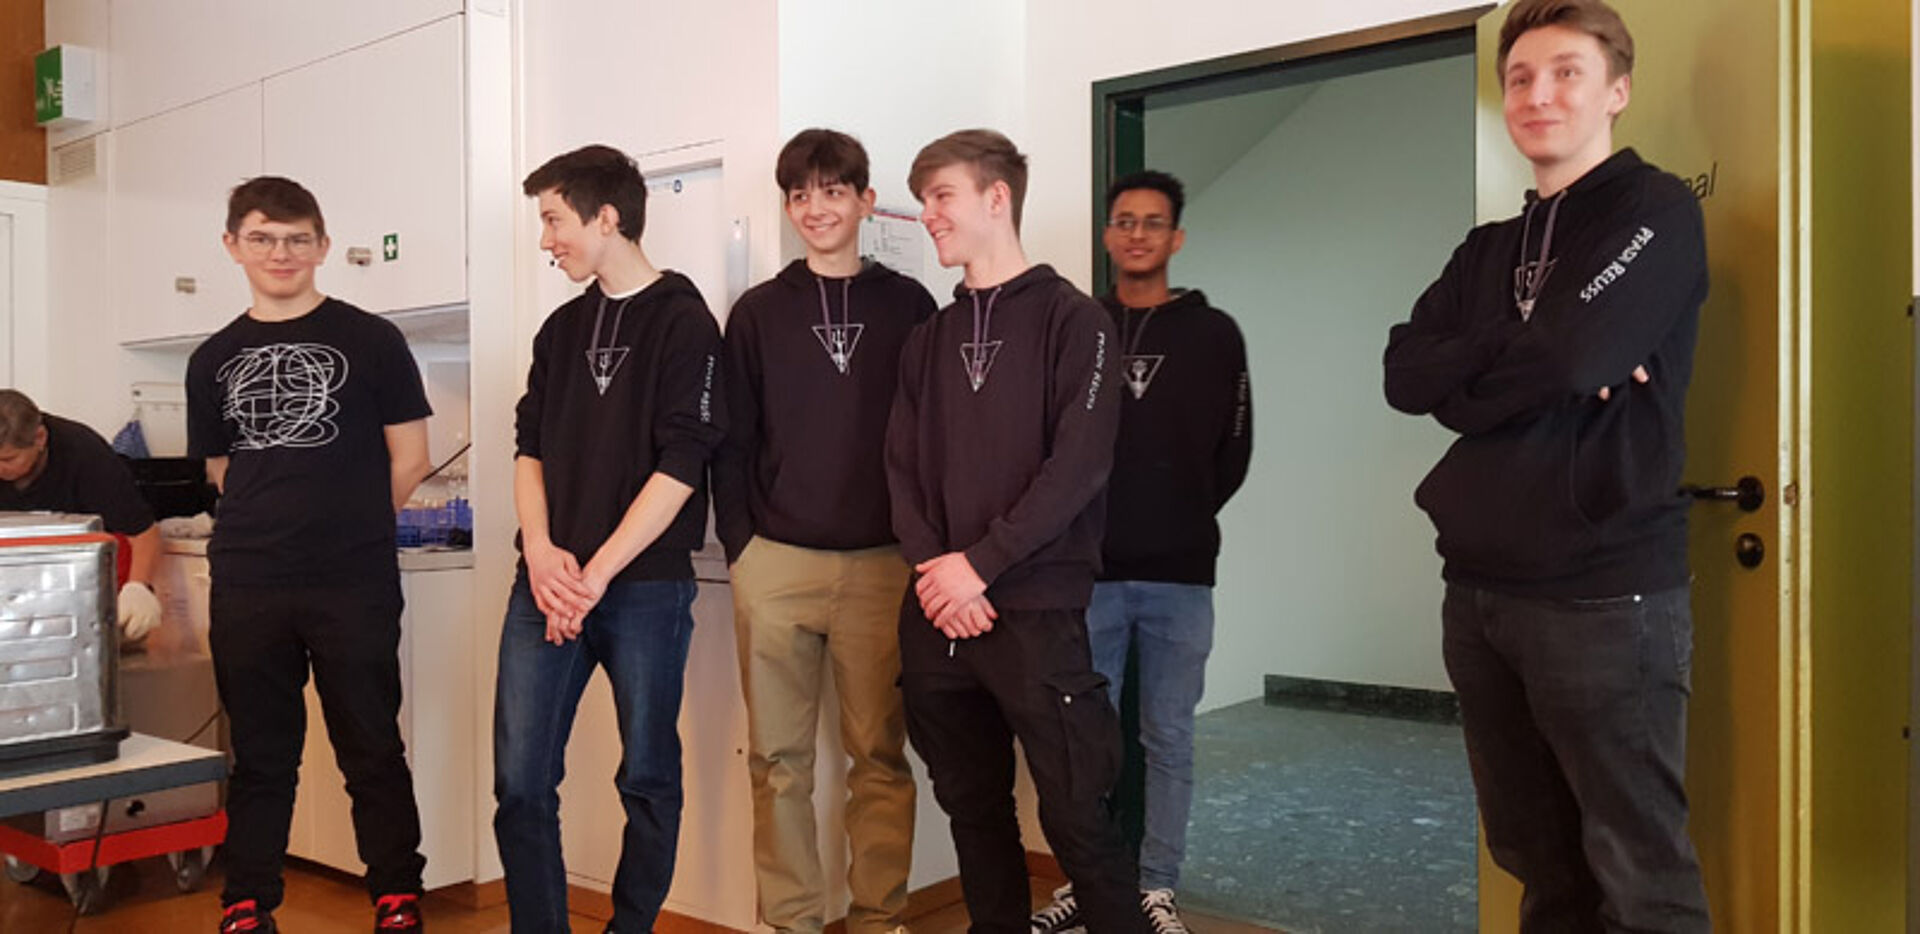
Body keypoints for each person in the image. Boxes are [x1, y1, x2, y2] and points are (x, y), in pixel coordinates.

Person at [1382, 1, 1711, 929]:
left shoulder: (1656, 210)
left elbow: (1570, 357)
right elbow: (1405, 375)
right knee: (1536, 860)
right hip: (1479, 593)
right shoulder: (1487, 248)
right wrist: (1526, 343)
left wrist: (1499, 365)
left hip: (1604, 594)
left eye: (1567, 72)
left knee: (1640, 873)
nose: (1538, 95)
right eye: (1520, 77)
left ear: (1617, 91)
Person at [886, 128, 1149, 933]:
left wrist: (980, 566)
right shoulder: (928, 339)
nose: (928, 214)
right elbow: (901, 470)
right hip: (937, 613)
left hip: (1035, 611)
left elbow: (1080, 465)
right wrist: (941, 573)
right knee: (973, 811)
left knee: (1077, 817)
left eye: (942, 196)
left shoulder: (1077, 321)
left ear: (996, 198)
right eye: (923, 199)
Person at [186, 176, 433, 934]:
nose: (281, 253)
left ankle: (397, 895)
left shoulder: (374, 340)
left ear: (323, 246)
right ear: (232, 246)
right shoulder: (211, 358)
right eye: (262, 238)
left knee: (370, 743)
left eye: (297, 239)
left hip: (352, 579)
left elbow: (412, 458)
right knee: (262, 752)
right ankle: (247, 901)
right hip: (248, 580)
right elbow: (223, 473)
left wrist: (351, 527)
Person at [493, 144, 726, 934]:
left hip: (644, 586)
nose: (546, 239)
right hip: (546, 583)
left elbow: (683, 463)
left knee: (648, 776)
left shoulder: (686, 322)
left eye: (554, 220)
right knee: (521, 783)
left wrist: (593, 576)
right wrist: (540, 551)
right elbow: (528, 448)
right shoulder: (560, 330)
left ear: (607, 218)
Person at [713, 128, 934, 934]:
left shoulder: (911, 306)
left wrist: (922, 547)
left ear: (865, 201)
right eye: (800, 194)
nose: (816, 207)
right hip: (776, 564)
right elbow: (732, 439)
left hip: (884, 566)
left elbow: (933, 434)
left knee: (880, 757)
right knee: (777, 762)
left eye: (833, 191)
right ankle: (793, 921)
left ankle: (880, 918)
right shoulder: (758, 313)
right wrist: (742, 549)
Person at [1030, 170, 1252, 933]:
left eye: (1153, 222)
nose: (1137, 234)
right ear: (1107, 234)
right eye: (1124, 221)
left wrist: (1177, 515)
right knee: (1082, 744)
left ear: (1175, 237)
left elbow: (1234, 450)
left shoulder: (1215, 333)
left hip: (1181, 576)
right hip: (1085, 576)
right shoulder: (1077, 326)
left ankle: (1156, 887)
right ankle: (1087, 884)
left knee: (1168, 738)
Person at [0, 389, 164, 644]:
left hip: (79, 584)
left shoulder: (84, 453)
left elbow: (143, 532)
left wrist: (138, 588)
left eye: (7, 459)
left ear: (40, 438)